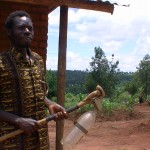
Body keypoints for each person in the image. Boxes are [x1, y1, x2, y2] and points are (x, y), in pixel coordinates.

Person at [0, 10, 68, 150]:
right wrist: (18, 121)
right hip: (12, 141)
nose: (27, 31)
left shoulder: (37, 60)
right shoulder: (1, 62)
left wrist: (49, 104)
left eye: (30, 28)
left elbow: (39, 94)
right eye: (21, 28)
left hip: (40, 140)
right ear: (9, 32)